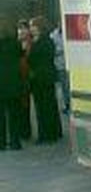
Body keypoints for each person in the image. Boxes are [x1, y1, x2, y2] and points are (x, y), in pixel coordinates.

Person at [28, 16, 63, 144]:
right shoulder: (47, 40)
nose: (31, 29)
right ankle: (54, 131)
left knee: (43, 107)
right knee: (50, 105)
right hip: (47, 76)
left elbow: (34, 59)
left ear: (39, 27)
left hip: (40, 77)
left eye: (33, 26)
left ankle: (46, 134)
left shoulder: (40, 42)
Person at [0, 18, 24, 150]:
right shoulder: (16, 44)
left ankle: (1, 142)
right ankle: (15, 142)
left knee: (0, 116)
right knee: (14, 115)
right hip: (14, 83)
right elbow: (21, 58)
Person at [17, 19, 33, 141]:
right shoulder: (19, 42)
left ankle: (25, 131)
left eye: (23, 28)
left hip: (25, 75)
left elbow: (27, 58)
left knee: (24, 103)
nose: (21, 31)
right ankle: (23, 130)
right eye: (20, 28)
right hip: (20, 76)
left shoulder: (28, 42)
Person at [50, 24, 70, 113]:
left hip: (70, 64)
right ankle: (65, 104)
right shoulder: (53, 35)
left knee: (69, 85)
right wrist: (60, 50)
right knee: (63, 86)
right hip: (60, 65)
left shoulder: (69, 32)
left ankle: (70, 103)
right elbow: (51, 50)